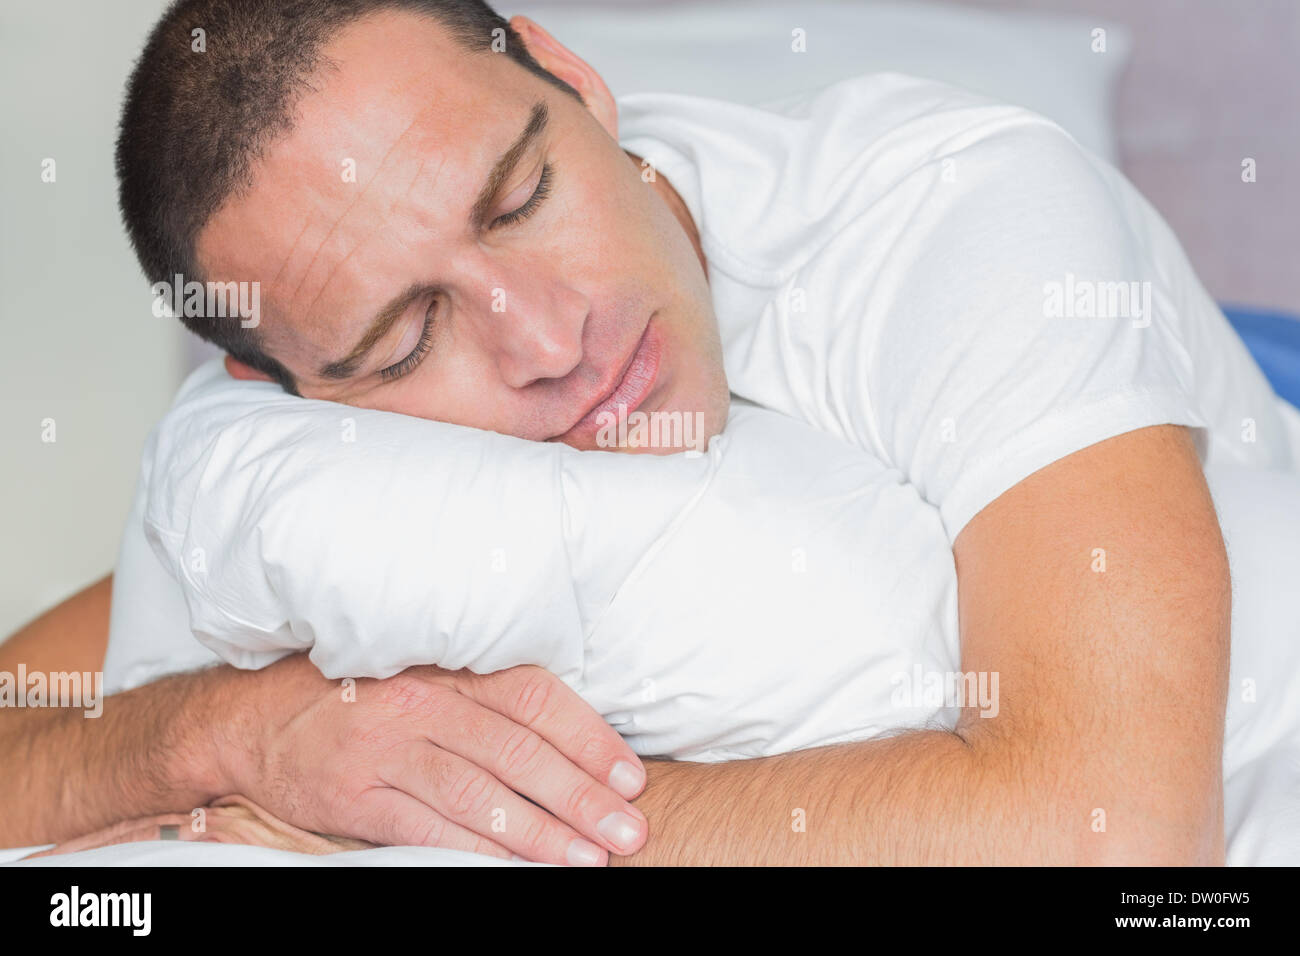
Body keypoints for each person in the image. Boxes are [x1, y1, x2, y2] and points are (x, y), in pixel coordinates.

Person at [7, 0, 1281, 864]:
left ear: (571, 82)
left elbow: (1122, 834)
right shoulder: (298, 466)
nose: (549, 338)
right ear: (281, 387)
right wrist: (222, 735)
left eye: (520, 198)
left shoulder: (964, 215)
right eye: (406, 338)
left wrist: (460, 818)